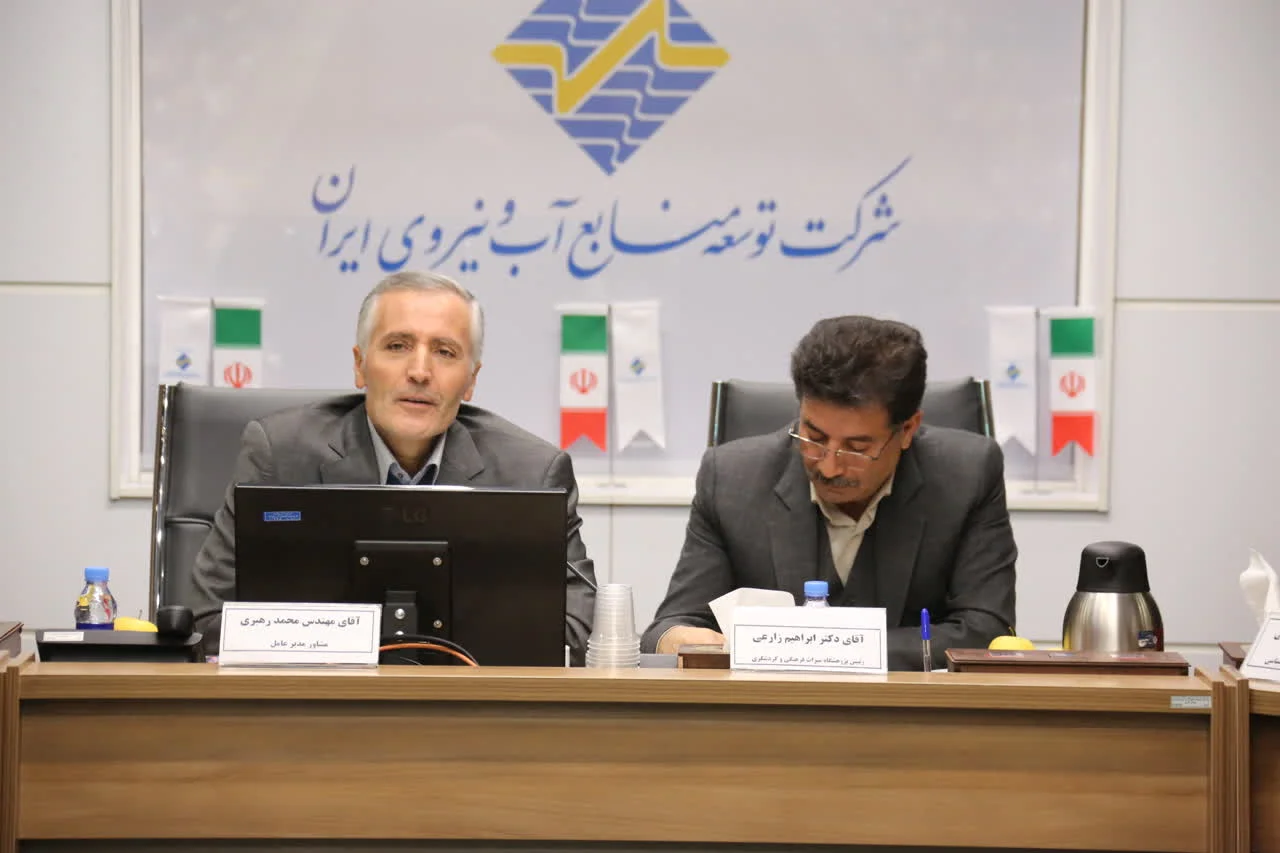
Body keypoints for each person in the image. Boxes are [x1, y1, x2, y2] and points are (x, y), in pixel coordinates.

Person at [190, 271, 597, 660]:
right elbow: (207, 619)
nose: (419, 372)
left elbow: (576, 634)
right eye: (398, 346)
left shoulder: (531, 473)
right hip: (315, 700)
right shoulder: (280, 455)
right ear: (360, 365)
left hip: (470, 702)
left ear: (471, 379)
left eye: (444, 352)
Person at [641, 315, 1016, 670]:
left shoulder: (966, 476)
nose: (829, 467)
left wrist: (811, 648)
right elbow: (671, 625)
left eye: (856, 447)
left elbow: (985, 632)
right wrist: (678, 639)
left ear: (907, 430)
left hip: (911, 709)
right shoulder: (731, 478)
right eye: (813, 438)